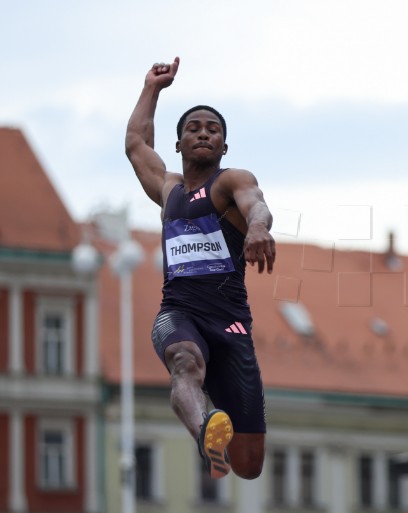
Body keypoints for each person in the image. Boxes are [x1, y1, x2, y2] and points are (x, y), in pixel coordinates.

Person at [125, 57, 276, 480]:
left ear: (224, 147)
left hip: (230, 326)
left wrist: (258, 228)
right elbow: (136, 144)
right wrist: (151, 89)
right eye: (194, 128)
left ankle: (216, 424)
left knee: (248, 465)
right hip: (179, 313)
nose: (204, 133)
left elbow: (256, 202)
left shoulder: (230, 182)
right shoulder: (169, 190)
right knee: (184, 362)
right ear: (178, 145)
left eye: (214, 130)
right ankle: (204, 430)